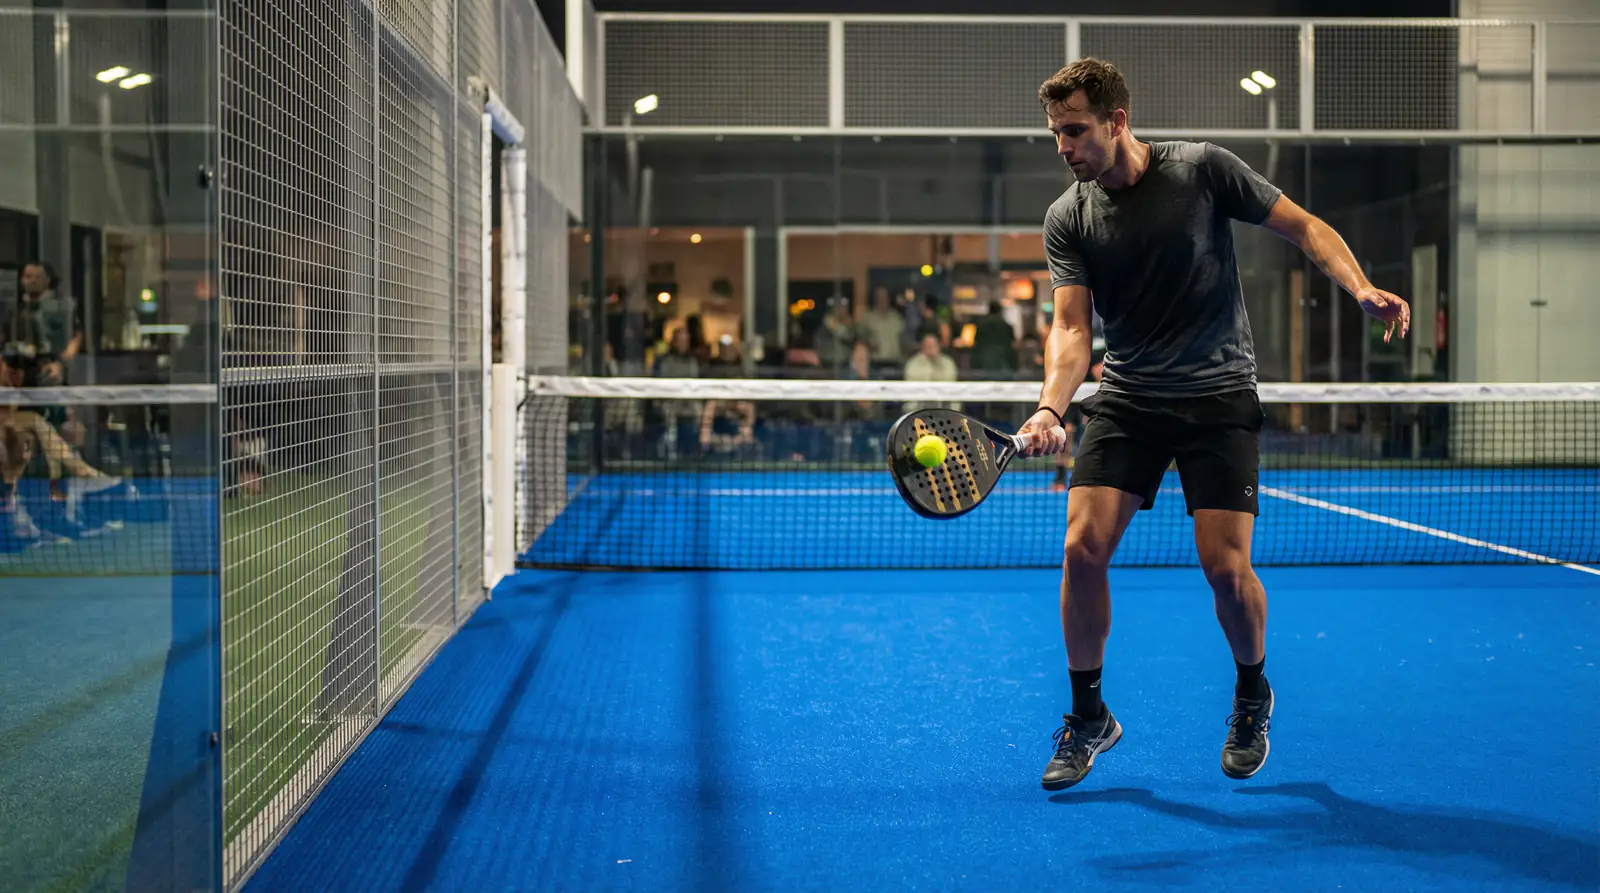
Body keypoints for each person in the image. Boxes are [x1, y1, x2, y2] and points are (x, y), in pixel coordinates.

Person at [1015, 58, 1410, 791]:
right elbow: (1072, 332)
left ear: (1117, 121)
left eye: (1075, 131)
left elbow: (1306, 227)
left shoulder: (1202, 170)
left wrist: (1358, 287)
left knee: (1226, 572)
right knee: (1080, 548)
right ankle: (1088, 715)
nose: (1064, 148)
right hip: (1128, 396)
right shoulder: (1069, 216)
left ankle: (1252, 692)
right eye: (1055, 135)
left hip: (1218, 395)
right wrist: (1050, 406)